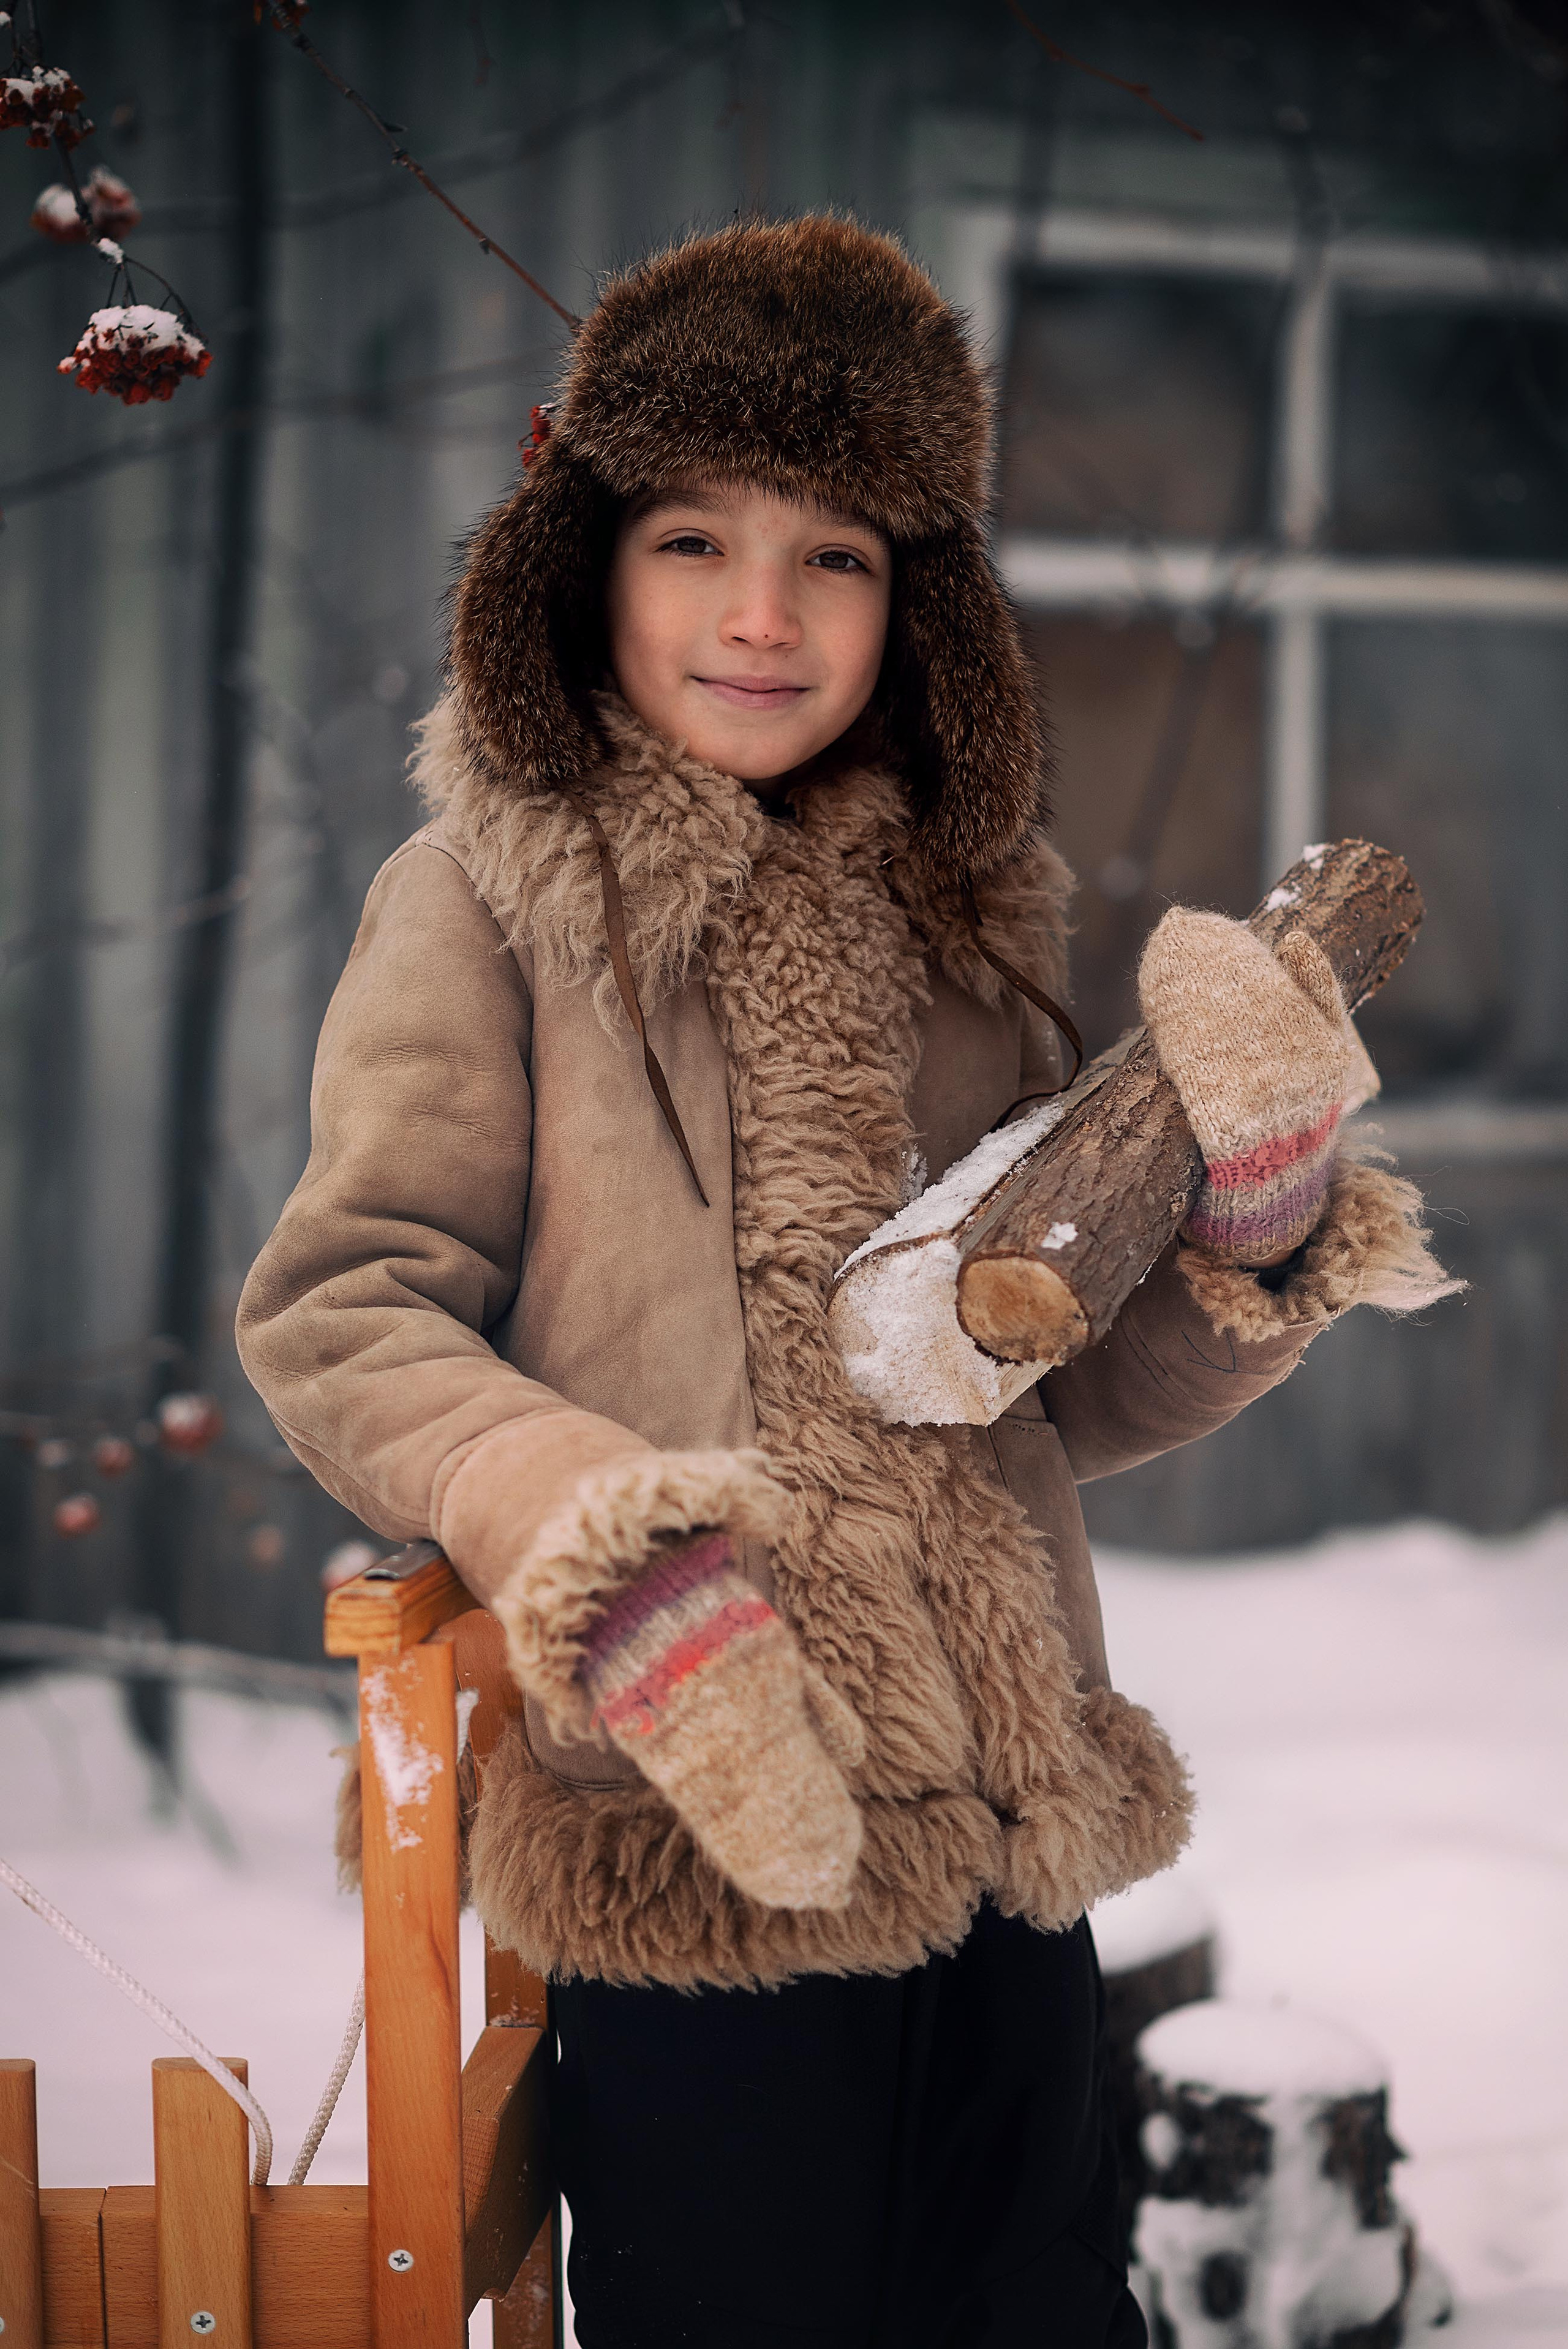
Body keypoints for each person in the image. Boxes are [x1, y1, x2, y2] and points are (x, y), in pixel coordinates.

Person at [236, 216, 1456, 2349]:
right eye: (697, 540)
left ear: (924, 609)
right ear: (583, 564)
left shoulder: (966, 928)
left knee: (1045, 2309)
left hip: (1001, 1831)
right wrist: (595, 1540)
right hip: (715, 1828)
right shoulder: (485, 904)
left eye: (841, 557)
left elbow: (1046, 1384)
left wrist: (1243, 1223)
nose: (764, 615)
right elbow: (347, 1310)